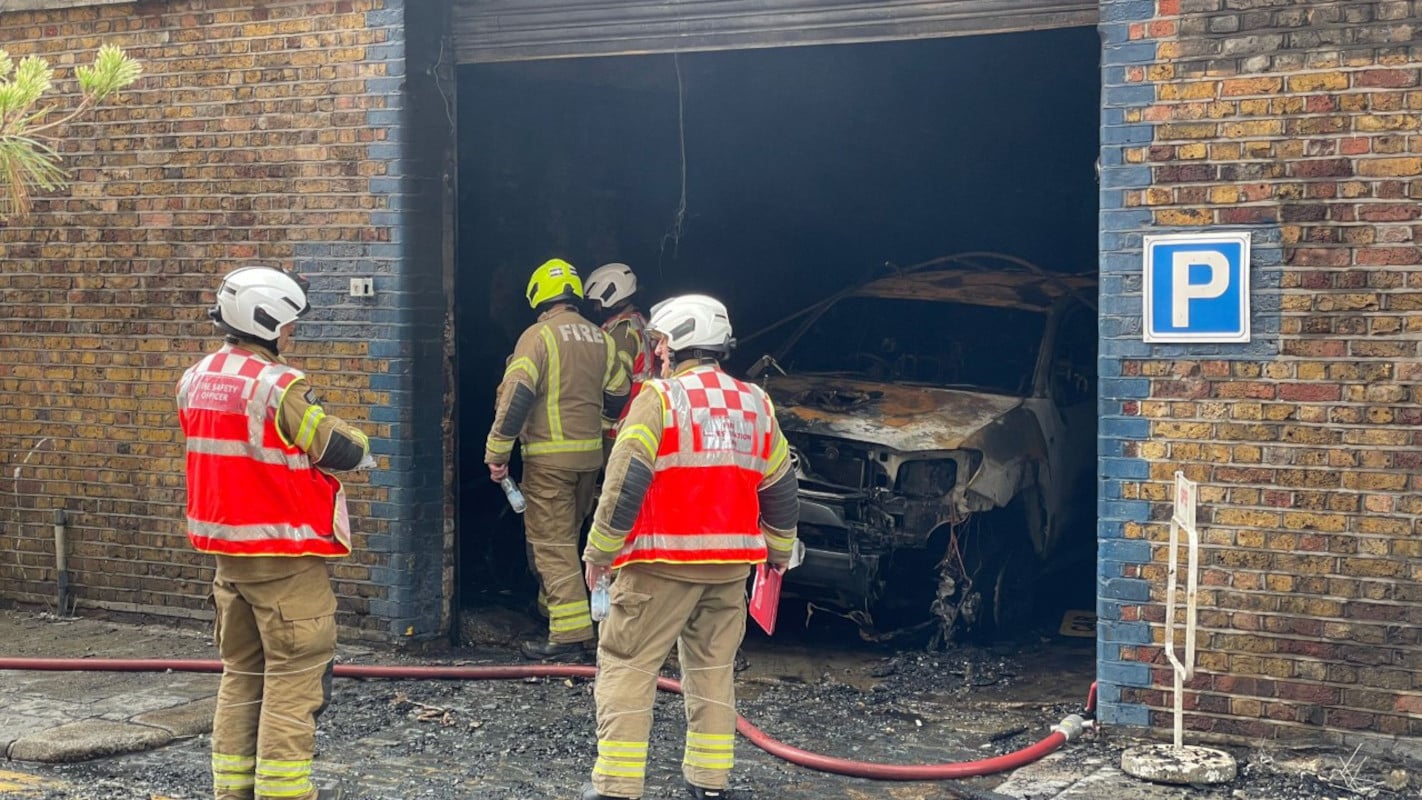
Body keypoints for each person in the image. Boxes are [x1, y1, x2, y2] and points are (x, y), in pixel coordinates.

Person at [579, 294, 800, 800]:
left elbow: (625, 482)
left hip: (660, 565)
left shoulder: (658, 401)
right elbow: (781, 486)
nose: (655, 352)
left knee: (628, 664)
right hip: (728, 571)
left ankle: (616, 784)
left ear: (674, 344)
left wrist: (599, 553)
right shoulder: (757, 404)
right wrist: (780, 551)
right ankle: (709, 782)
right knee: (712, 671)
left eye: (658, 342)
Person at [176, 265, 371, 800]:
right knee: (294, 680)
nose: (290, 335)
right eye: (287, 326)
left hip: (228, 559)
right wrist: (356, 436)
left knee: (241, 676)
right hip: (284, 557)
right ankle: (285, 793)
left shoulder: (195, 378)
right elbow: (335, 449)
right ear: (266, 321)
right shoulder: (276, 385)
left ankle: (232, 790)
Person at [486, 258, 630, 661]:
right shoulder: (601, 338)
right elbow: (620, 389)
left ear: (539, 296)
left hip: (549, 461)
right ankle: (552, 609)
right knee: (571, 539)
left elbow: (516, 399)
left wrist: (498, 452)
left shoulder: (537, 337)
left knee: (551, 545)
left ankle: (568, 635)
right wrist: (600, 425)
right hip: (589, 460)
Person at [583, 262, 655, 462]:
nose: (595, 308)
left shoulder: (621, 333)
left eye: (596, 302)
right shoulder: (641, 323)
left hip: (622, 424)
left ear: (609, 296)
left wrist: (602, 424)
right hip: (642, 419)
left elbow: (618, 385)